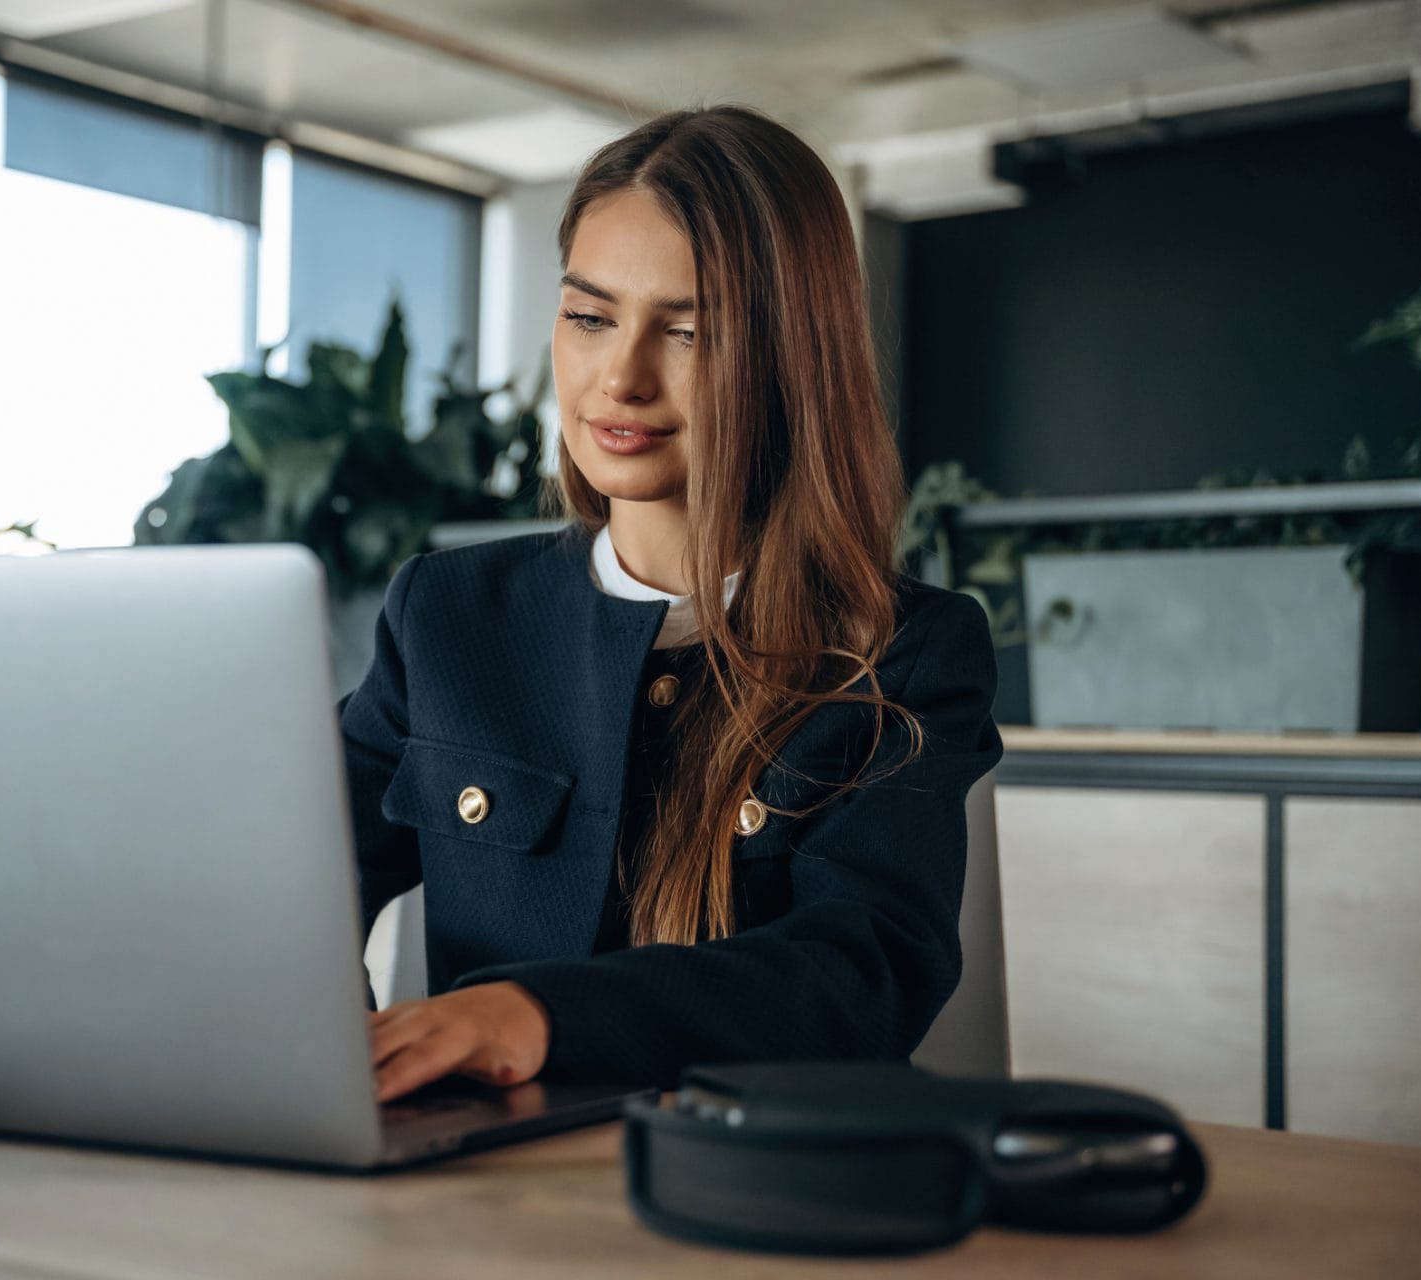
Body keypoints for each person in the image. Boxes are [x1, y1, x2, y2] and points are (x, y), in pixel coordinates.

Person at [342, 105, 1002, 1104]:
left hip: (752, 1206)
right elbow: (292, 871)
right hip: (472, 1199)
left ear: (792, 361)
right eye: (590, 316)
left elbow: (859, 976)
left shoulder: (911, 651)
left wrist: (533, 1012)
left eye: (688, 332)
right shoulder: (449, 612)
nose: (621, 378)